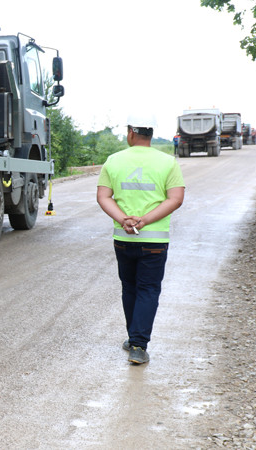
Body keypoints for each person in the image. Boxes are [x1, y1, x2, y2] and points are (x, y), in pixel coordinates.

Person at [96, 114, 185, 365]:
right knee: (148, 289)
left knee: (130, 287)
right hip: (155, 241)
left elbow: (104, 197)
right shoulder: (168, 162)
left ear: (131, 132)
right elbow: (175, 199)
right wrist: (144, 221)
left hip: (124, 239)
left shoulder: (113, 161)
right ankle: (138, 345)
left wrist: (124, 220)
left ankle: (133, 337)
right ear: (151, 134)